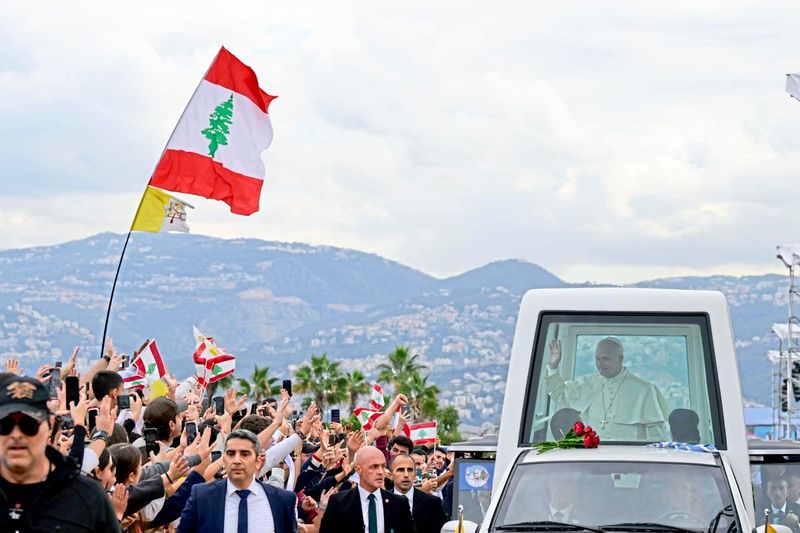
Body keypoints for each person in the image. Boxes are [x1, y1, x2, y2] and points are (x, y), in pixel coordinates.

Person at [0, 375, 121, 532]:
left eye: (28, 425)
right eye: (5, 425)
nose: (16, 435)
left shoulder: (87, 497)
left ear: (50, 425)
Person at [545, 336, 670, 440]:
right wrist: (553, 366)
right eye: (597, 359)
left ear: (620, 359)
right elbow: (559, 395)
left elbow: (658, 438)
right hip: (592, 457)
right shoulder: (586, 383)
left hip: (631, 461)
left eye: (605, 359)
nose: (600, 364)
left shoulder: (645, 390)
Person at [178, 428, 298, 533]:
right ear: (224, 460)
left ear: (258, 462)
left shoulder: (283, 500)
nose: (237, 460)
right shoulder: (202, 496)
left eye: (244, 454)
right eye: (231, 454)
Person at [319, 446, 415, 533]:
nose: (381, 472)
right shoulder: (339, 501)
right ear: (358, 469)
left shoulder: (399, 503)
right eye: (374, 467)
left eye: (383, 466)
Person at [390, 453, 447, 533]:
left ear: (415, 474)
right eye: (400, 470)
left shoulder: (432, 503)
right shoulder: (382, 500)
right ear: (391, 475)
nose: (406, 475)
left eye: (410, 470)